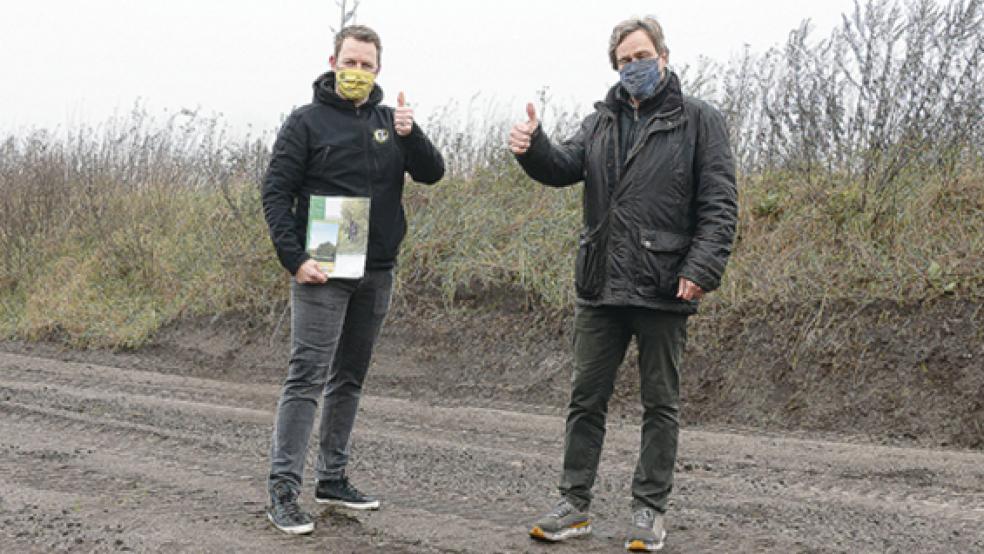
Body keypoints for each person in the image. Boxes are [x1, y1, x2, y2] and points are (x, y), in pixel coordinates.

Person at [509, 16, 737, 552]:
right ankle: (574, 504)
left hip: (665, 286)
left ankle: (649, 509)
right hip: (601, 285)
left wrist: (702, 269)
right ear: (614, 65)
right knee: (585, 400)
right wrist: (532, 147)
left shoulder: (699, 119)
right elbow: (564, 166)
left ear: (663, 53)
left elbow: (720, 204)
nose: (634, 66)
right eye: (624, 60)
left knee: (661, 405)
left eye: (642, 55)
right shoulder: (602, 119)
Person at [261, 24, 444, 535]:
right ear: (333, 61)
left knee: (350, 378)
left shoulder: (391, 122)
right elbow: (276, 193)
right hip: (321, 270)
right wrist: (293, 258)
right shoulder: (305, 122)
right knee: (306, 377)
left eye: (367, 66)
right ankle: (283, 488)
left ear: (378, 70)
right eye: (351, 63)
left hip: (375, 270)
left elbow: (433, 172)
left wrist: (413, 133)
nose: (358, 72)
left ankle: (333, 476)